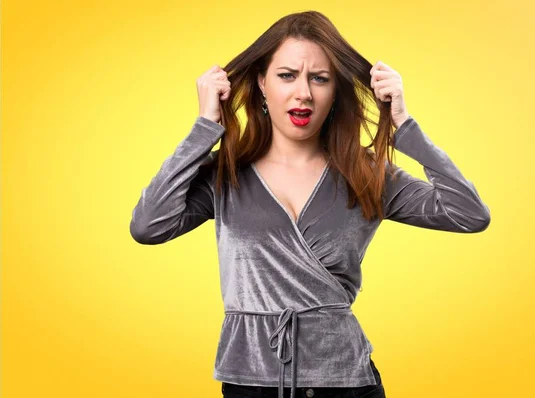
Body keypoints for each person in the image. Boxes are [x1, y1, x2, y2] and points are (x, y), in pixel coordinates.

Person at [129, 10, 491, 398]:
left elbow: (468, 213)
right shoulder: (226, 173)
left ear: (335, 93)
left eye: (319, 79)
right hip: (250, 382)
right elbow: (149, 226)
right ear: (262, 83)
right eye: (287, 75)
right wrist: (205, 126)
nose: (303, 92)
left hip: (347, 383)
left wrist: (404, 124)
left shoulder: (366, 173)